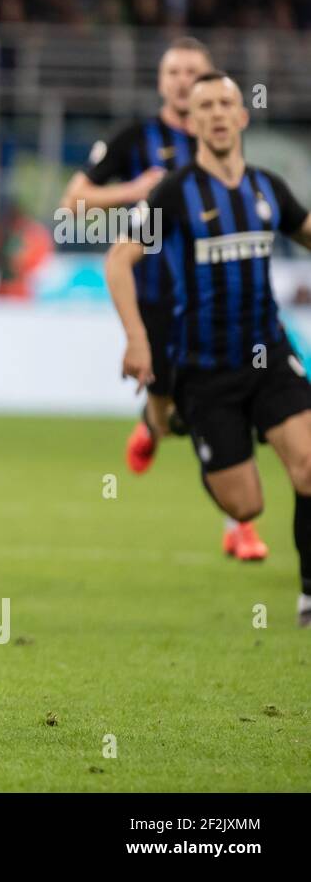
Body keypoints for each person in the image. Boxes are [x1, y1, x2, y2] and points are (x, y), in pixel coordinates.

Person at [106, 72, 311, 627]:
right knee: (247, 506)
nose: (218, 114)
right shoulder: (174, 195)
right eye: (206, 107)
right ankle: (180, 428)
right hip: (203, 370)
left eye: (227, 103)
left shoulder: (268, 189)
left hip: (269, 354)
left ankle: (310, 594)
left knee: (309, 468)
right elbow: (118, 260)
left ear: (243, 117)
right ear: (192, 123)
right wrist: (137, 338)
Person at [62, 37, 264, 559]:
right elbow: (74, 203)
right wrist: (131, 191)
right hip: (153, 301)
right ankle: (151, 427)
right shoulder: (135, 139)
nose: (181, 79)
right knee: (172, 415)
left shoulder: (221, 146)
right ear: (161, 81)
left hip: (213, 301)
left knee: (218, 405)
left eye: (192, 71)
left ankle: (237, 523)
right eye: (173, 71)